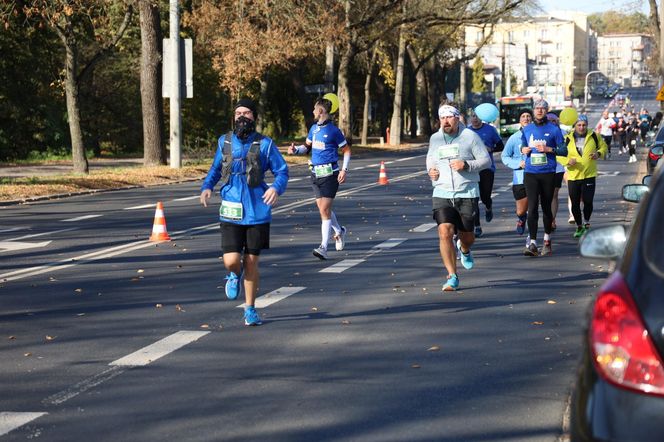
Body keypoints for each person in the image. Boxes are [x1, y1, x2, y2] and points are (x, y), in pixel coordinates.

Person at [200, 98, 289, 326]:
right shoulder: (224, 142)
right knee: (231, 260)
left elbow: (282, 171)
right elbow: (216, 169)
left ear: (254, 117)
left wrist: (276, 189)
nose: (241, 117)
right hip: (230, 209)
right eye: (238, 112)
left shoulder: (266, 144)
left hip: (258, 211)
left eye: (246, 113)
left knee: (251, 262)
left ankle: (250, 309)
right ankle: (233, 274)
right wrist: (207, 187)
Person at [427, 104, 491, 291]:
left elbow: (485, 160)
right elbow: (431, 159)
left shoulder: (470, 137)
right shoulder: (435, 138)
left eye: (449, 117)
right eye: (442, 118)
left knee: (467, 236)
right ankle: (452, 276)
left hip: (466, 192)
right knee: (444, 232)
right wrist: (430, 171)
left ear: (457, 118)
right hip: (442, 192)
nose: (445, 121)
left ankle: (464, 249)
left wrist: (467, 165)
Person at [288, 97, 350, 260]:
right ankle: (339, 231)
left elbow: (347, 151)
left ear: (321, 111)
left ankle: (323, 247)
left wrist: (344, 169)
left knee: (324, 210)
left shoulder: (334, 131)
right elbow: (306, 148)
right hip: (315, 174)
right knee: (324, 209)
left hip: (331, 174)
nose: (313, 112)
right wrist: (296, 150)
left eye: (315, 109)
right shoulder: (313, 128)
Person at [519, 99, 567, 257]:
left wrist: (549, 149)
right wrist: (523, 149)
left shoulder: (554, 129)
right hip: (531, 173)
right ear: (533, 110)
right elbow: (522, 145)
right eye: (537, 108)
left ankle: (547, 240)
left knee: (546, 207)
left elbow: (563, 150)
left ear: (547, 111)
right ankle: (532, 243)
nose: (539, 111)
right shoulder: (527, 129)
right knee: (532, 208)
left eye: (542, 108)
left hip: (548, 173)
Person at [557, 114, 607, 238]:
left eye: (584, 125)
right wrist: (567, 161)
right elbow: (558, 154)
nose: (581, 127)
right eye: (579, 125)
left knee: (588, 201)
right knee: (575, 203)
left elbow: (604, 147)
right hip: (573, 176)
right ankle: (579, 226)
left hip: (589, 174)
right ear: (575, 126)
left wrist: (598, 153)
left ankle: (587, 222)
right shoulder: (567, 138)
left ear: (587, 125)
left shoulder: (594, 136)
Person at [467, 111, 504, 237]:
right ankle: (477, 226)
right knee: (473, 199)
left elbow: (500, 146)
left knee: (485, 196)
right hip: (472, 168)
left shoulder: (490, 130)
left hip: (487, 168)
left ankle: (488, 207)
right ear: (470, 118)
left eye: (477, 116)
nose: (475, 119)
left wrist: (491, 149)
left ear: (481, 118)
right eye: (472, 116)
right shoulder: (466, 132)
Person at [501, 109, 532, 239]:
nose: (526, 118)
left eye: (528, 116)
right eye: (523, 116)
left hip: (536, 176)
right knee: (521, 210)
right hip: (520, 178)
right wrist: (518, 163)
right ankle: (521, 217)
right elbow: (505, 156)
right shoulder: (514, 138)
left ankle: (532, 236)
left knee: (533, 207)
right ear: (520, 120)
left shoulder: (538, 136)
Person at [546, 112, 566, 231]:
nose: (551, 123)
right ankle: (546, 216)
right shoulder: (541, 132)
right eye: (549, 121)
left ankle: (552, 219)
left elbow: (566, 150)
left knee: (554, 194)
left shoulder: (563, 133)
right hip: (543, 167)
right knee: (543, 196)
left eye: (554, 121)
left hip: (558, 167)